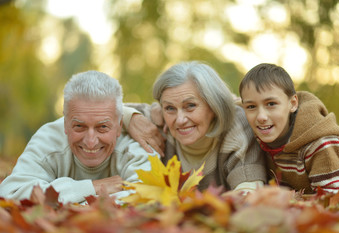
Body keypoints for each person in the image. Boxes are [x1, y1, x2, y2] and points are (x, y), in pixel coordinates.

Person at [0, 70, 159, 204]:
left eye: (102, 127)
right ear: (65, 124)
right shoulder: (48, 138)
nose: (91, 142)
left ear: (119, 126)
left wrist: (65, 200)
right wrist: (91, 187)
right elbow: (10, 192)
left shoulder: (136, 144)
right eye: (79, 126)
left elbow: (147, 196)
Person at [128, 61, 267, 193]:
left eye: (190, 106)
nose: (180, 120)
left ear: (214, 105)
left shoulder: (237, 124)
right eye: (170, 108)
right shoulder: (159, 119)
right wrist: (131, 118)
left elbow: (249, 191)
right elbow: (110, 109)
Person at [238, 63, 339, 194]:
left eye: (271, 104)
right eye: (251, 107)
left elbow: (330, 200)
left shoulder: (320, 144)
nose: (261, 117)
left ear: (292, 104)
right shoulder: (259, 131)